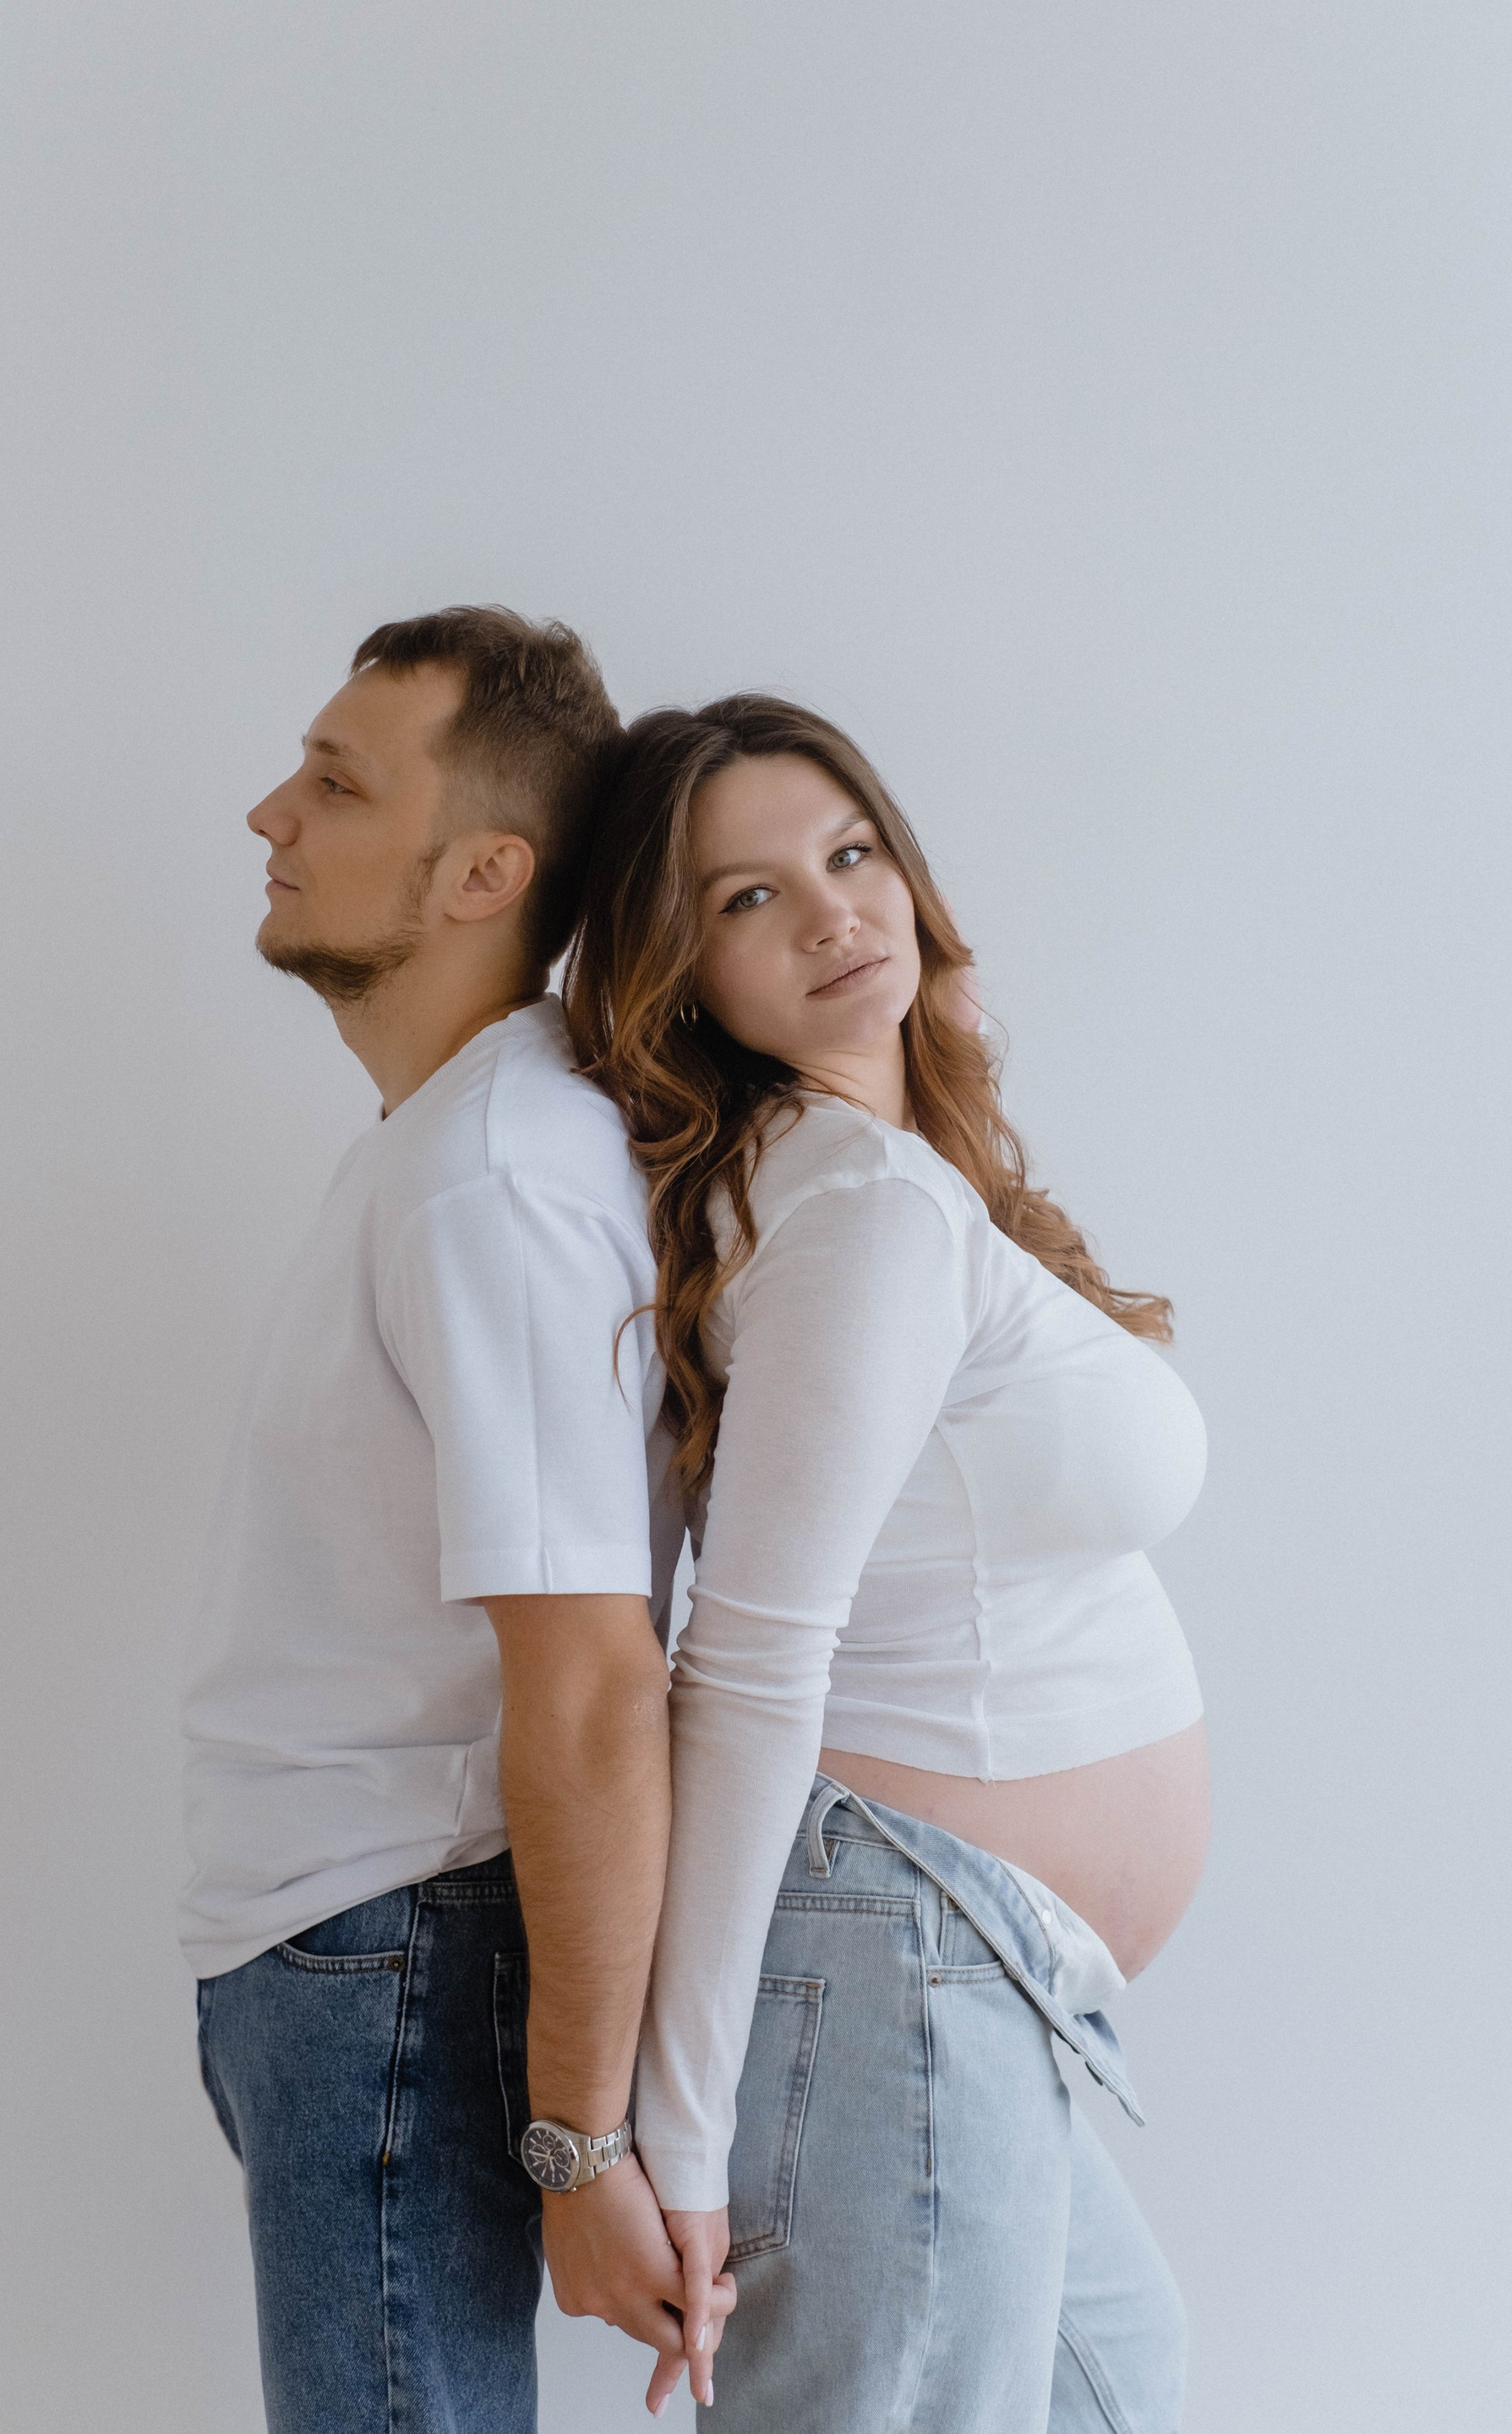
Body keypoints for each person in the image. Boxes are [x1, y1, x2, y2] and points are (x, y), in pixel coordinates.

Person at [565, 696, 1209, 2431]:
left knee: (1119, 2390)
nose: (834, 914)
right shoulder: (864, 1209)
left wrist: (945, 1051)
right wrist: (673, 2133)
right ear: (679, 972)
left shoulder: (877, 1183)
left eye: (852, 855)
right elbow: (745, 1666)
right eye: (748, 897)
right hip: (891, 1964)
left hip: (961, 1972)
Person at [179, 608, 729, 2434]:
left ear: (487, 871)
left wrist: (580, 2142)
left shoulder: (495, 1178)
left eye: (337, 784)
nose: (272, 812)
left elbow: (593, 1681)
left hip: (394, 1954)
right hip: (346, 1954)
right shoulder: (447, 1148)